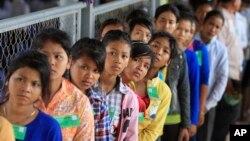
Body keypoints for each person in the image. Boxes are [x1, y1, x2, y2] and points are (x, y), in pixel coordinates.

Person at [32, 28, 94, 141]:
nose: (51, 62)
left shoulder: (80, 102)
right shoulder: (21, 94)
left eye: (58, 57)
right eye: (44, 56)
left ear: (69, 62)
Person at [0, 50, 62, 141]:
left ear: (42, 90)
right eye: (20, 79)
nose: (26, 89)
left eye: (35, 84)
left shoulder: (49, 128)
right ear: (7, 80)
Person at [155, 4, 191, 141]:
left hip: (172, 118)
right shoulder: (147, 50)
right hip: (149, 118)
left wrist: (185, 125)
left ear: (176, 25)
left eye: (171, 22)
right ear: (155, 21)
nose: (166, 25)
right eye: (162, 20)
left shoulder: (180, 55)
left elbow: (184, 89)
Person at [98, 30, 139, 140]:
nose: (118, 60)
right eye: (113, 53)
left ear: (127, 62)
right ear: (101, 52)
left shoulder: (129, 98)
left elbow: (131, 136)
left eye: (124, 56)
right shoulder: (87, 88)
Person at [195, 10, 229, 141]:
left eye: (217, 27)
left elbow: (222, 78)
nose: (213, 29)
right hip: (189, 99)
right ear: (203, 22)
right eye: (211, 24)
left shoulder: (221, 49)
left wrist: (206, 105)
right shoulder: (192, 42)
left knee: (204, 136)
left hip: (208, 103)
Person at [69, 37, 111, 140]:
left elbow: (103, 138)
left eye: (96, 71)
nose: (90, 76)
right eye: (84, 67)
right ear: (70, 62)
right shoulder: (56, 93)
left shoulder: (98, 102)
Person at [172, 12, 200, 140]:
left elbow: (193, 90)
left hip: (181, 118)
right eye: (179, 28)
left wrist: (192, 121)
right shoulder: (162, 52)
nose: (182, 34)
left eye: (187, 31)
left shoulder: (191, 56)